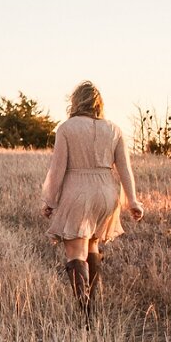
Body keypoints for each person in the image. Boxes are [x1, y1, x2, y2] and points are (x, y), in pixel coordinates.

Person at [41, 81, 143, 316]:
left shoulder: (67, 128)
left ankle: (85, 309)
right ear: (99, 103)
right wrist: (133, 201)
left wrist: (50, 200)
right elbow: (125, 169)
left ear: (76, 101)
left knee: (75, 251)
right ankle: (92, 302)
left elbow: (57, 169)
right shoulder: (114, 129)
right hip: (107, 192)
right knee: (92, 243)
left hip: (78, 190)